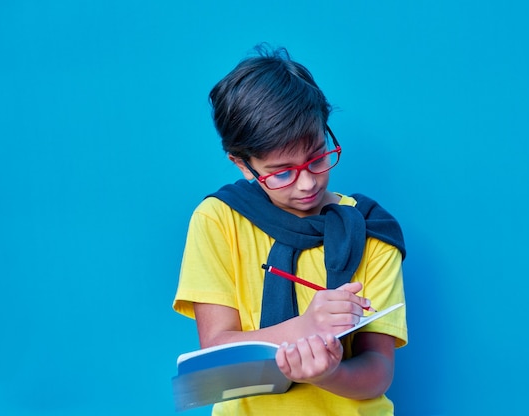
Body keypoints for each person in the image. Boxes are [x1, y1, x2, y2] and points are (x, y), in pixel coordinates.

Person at [173, 44, 407, 415]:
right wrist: (306, 327)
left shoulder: (370, 229)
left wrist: (327, 373)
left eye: (317, 157)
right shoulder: (218, 220)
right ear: (243, 165)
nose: (306, 183)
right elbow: (215, 352)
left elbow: (378, 372)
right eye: (282, 172)